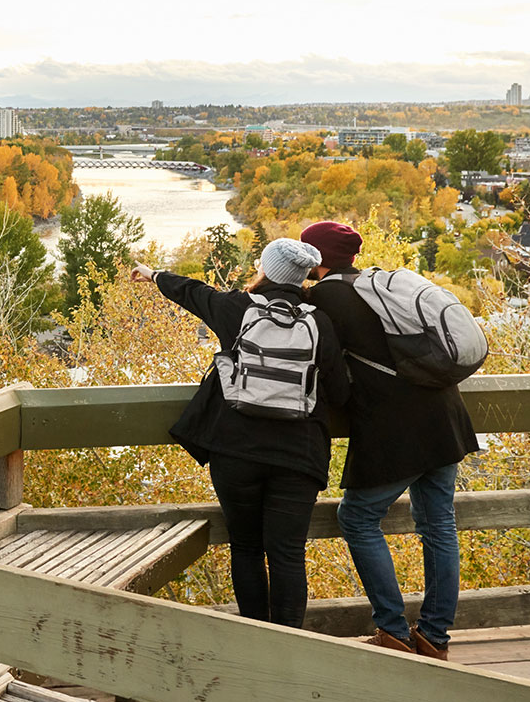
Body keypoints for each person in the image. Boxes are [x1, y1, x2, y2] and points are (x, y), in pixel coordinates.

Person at [133, 238, 349, 628]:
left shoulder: (237, 308)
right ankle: (289, 645)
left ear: (266, 270)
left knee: (246, 548)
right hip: (298, 457)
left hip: (236, 450)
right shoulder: (320, 323)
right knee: (287, 554)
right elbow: (341, 391)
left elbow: (194, 293)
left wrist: (153, 275)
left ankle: (255, 639)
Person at [301, 220, 480, 659]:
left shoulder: (327, 296)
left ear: (318, 259)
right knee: (438, 525)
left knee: (358, 518)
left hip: (398, 426)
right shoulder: (375, 287)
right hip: (444, 415)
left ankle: (393, 630)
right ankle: (434, 637)